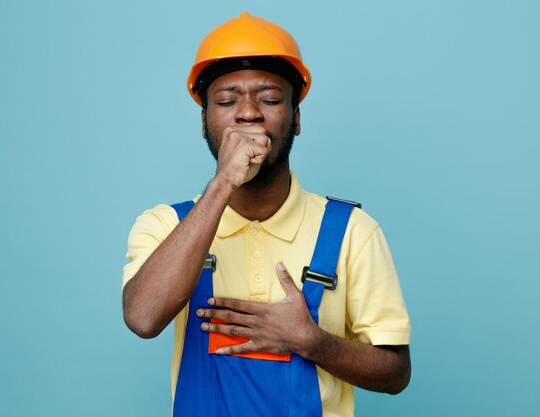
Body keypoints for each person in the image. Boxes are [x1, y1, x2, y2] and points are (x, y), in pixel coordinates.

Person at [122, 12, 411, 417]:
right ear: (204, 123)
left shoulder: (351, 232)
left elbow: (396, 373)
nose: (248, 113)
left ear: (296, 119)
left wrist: (311, 341)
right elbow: (143, 318)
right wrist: (223, 183)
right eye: (226, 100)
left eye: (271, 98)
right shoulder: (166, 226)